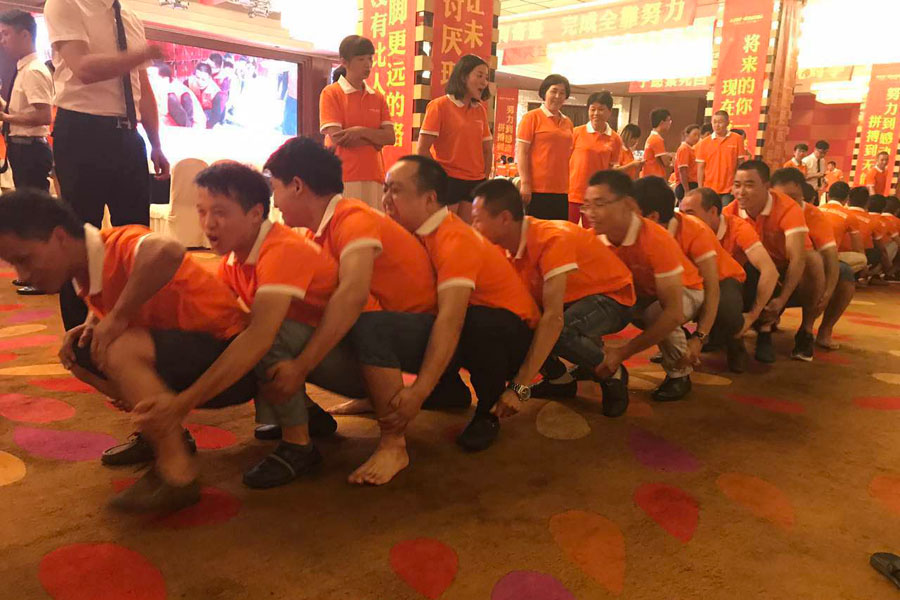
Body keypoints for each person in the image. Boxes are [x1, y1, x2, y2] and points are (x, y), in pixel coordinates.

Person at [0, 190, 256, 512]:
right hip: (191, 356)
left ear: (60, 237)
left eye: (24, 259)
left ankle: (178, 473)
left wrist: (117, 318)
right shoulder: (84, 271)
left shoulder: (119, 243)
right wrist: (94, 321)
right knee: (81, 351)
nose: (23, 275)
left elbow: (167, 250)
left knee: (118, 346)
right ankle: (162, 432)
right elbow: (114, 295)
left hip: (235, 364)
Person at [125, 162, 367, 490]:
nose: (208, 223)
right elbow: (216, 318)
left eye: (220, 212)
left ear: (255, 214)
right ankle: (307, 414)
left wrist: (183, 403)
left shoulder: (282, 249)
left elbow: (260, 336)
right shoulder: (234, 261)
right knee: (241, 329)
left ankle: (299, 446)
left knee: (264, 331)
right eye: (201, 211)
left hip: (358, 366)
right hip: (320, 354)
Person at [263, 139, 467, 484]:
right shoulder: (320, 233)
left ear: (297, 186)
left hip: (425, 340)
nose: (274, 202)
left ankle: (394, 443)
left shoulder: (353, 219)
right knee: (279, 324)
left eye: (275, 189)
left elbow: (354, 295)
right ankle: (311, 413)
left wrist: (302, 366)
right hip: (394, 337)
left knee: (366, 323)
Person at [384, 155, 539, 451]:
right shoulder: (419, 234)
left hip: (516, 338)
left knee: (475, 321)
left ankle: (489, 411)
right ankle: (449, 390)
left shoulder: (454, 240)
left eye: (396, 190)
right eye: (385, 189)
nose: (387, 199)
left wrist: (418, 391)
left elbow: (451, 319)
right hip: (477, 322)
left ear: (429, 199)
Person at [44, 0, 171, 331]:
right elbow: (84, 68)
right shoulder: (65, 4)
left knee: (136, 237)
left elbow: (142, 87)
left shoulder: (129, 16)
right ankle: (78, 333)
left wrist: (155, 143)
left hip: (128, 135)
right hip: (81, 130)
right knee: (77, 236)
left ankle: (131, 322)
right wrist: (141, 54)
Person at [470, 178, 635, 415]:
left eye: (477, 220)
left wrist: (518, 387)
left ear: (505, 218)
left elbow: (554, 319)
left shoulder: (552, 239)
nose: (473, 227)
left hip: (613, 297)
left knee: (559, 331)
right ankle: (559, 380)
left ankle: (613, 373)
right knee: (515, 321)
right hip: (573, 299)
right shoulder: (501, 246)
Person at [586, 170, 704, 402]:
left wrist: (622, 352)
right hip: (642, 292)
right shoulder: (593, 237)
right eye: (587, 205)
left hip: (686, 289)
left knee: (657, 314)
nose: (591, 213)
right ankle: (592, 360)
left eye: (599, 204)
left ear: (628, 205)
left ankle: (680, 372)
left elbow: (673, 311)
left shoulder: (656, 239)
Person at [635, 177, 749, 373]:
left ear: (652, 216)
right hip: (683, 286)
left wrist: (700, 337)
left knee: (726, 310)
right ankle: (677, 344)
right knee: (636, 307)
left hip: (722, 280)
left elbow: (712, 287)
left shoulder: (695, 229)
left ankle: (734, 342)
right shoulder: (638, 232)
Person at [722, 161, 823, 363]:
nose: (741, 192)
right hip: (753, 269)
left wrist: (782, 300)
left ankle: (804, 331)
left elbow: (797, 258)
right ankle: (737, 330)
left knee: (812, 260)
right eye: (737, 185)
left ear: (767, 186)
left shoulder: (787, 208)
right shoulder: (728, 212)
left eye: (749, 185)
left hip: (784, 270)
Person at [680, 187, 778, 369]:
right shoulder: (682, 230)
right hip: (699, 283)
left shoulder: (738, 227)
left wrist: (751, 317)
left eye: (690, 213)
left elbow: (770, 270)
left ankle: (743, 336)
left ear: (713, 211)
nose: (683, 218)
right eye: (681, 212)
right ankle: (679, 341)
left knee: (731, 298)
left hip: (733, 285)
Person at [320, 35, 394, 210]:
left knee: (374, 225)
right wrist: (375, 139)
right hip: (343, 176)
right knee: (347, 224)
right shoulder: (331, 93)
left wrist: (359, 131)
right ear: (344, 62)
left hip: (375, 175)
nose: (367, 64)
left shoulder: (377, 97)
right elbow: (338, 138)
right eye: (361, 59)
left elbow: (390, 137)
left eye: (370, 59)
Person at [771, 167, 838, 361]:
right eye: (783, 197)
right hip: (772, 270)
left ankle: (808, 331)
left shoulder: (813, 215)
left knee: (839, 272)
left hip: (806, 273)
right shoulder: (764, 211)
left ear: (803, 193)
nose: (789, 203)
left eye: (794, 197)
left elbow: (831, 256)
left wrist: (828, 292)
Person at [418, 54, 492, 223]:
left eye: (486, 78)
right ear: (463, 76)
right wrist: (440, 177)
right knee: (445, 230)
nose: (484, 82)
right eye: (479, 75)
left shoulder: (480, 110)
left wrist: (485, 179)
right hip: (449, 180)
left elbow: (487, 150)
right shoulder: (439, 106)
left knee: (466, 233)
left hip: (475, 181)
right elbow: (422, 150)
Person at [0, 10, 53, 193]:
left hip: (30, 149)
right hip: (23, 147)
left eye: (6, 34)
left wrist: (5, 117)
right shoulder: (24, 68)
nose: (2, 41)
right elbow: (23, 109)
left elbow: (44, 116)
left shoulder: (33, 70)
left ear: (25, 35)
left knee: (32, 204)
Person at [516, 74, 574, 220]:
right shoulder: (531, 117)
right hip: (537, 189)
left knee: (558, 231)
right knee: (536, 231)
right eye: (553, 91)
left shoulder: (568, 122)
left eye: (562, 93)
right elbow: (522, 153)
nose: (558, 96)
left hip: (562, 189)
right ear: (544, 92)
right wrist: (525, 183)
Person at [815, 181, 864, 349]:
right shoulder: (849, 216)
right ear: (846, 199)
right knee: (856, 264)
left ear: (828, 195)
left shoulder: (815, 210)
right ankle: (825, 331)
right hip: (830, 259)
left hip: (808, 256)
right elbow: (859, 249)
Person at [568, 91, 622, 226]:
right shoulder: (576, 132)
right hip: (572, 193)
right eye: (592, 109)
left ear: (609, 112)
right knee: (567, 231)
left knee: (593, 232)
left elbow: (612, 168)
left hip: (597, 196)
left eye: (601, 109)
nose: (596, 113)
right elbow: (564, 161)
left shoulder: (615, 138)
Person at [695, 110, 747, 205]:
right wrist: (700, 188)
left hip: (729, 189)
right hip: (709, 188)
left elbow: (741, 164)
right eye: (714, 122)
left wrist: (737, 185)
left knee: (726, 212)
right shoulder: (704, 142)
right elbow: (701, 168)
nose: (717, 125)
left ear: (727, 123)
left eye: (720, 122)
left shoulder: (737, 139)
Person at [187, 62, 225, 128]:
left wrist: (207, 127)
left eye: (203, 79)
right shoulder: (189, 82)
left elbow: (216, 116)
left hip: (208, 112)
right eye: (197, 77)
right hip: (195, 109)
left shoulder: (216, 93)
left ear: (210, 78)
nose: (200, 82)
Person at [641, 108, 672, 179]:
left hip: (649, 175)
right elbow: (666, 162)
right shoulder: (657, 139)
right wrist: (671, 158)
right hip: (654, 177)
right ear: (662, 122)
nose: (670, 123)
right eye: (668, 120)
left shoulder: (652, 137)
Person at [674, 124, 700, 201]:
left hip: (692, 184)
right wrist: (686, 190)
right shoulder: (684, 149)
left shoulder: (691, 149)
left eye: (698, 135)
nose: (697, 138)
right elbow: (682, 170)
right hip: (687, 185)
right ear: (687, 135)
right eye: (694, 134)